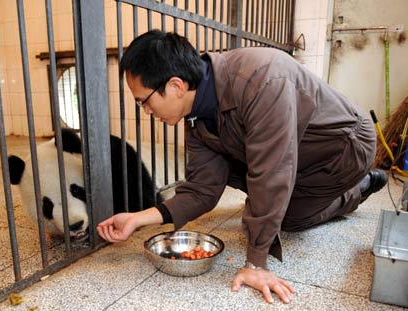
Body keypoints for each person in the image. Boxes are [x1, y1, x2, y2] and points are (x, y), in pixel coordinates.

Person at [97, 30, 388, 304]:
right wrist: (138, 219)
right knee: (284, 217)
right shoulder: (196, 119)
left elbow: (272, 171)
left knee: (278, 213)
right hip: (298, 155)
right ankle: (332, 196)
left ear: (175, 86)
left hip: (343, 151)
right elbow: (202, 189)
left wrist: (255, 263)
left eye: (144, 102)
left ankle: (358, 188)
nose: (147, 111)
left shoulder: (262, 79)